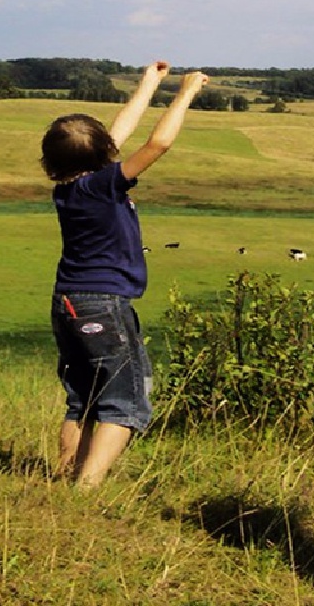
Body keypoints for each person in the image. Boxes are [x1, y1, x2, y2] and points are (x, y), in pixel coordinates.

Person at [41, 61, 208, 486]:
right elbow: (158, 144)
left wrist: (149, 83)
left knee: (83, 400)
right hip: (103, 303)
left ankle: (63, 479)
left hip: (68, 302)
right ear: (102, 156)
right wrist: (186, 92)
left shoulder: (70, 187)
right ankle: (84, 490)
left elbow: (116, 134)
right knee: (124, 402)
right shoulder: (101, 186)